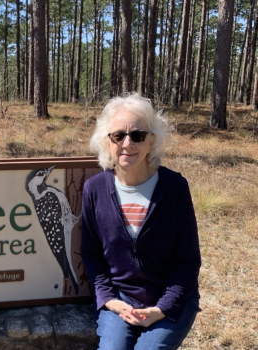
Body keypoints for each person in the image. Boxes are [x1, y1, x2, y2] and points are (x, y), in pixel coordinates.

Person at [81, 93, 201, 350]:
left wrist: (162, 308)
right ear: (107, 142)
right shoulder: (94, 189)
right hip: (120, 299)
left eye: (138, 135)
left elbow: (188, 260)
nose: (127, 143)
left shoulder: (174, 188)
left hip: (171, 299)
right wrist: (109, 299)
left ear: (151, 141)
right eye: (118, 135)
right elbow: (91, 254)